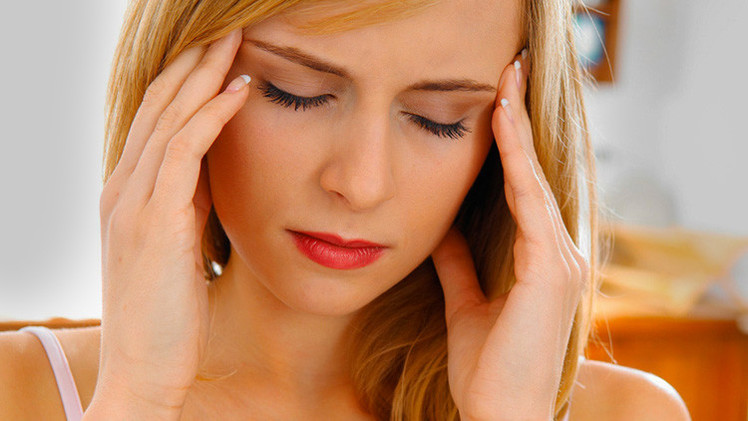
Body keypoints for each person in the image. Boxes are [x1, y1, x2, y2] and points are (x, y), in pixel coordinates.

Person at [0, 0, 691, 419]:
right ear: (178, 85)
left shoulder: (630, 414)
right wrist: (137, 402)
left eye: (439, 118)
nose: (361, 183)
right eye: (296, 92)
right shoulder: (20, 392)